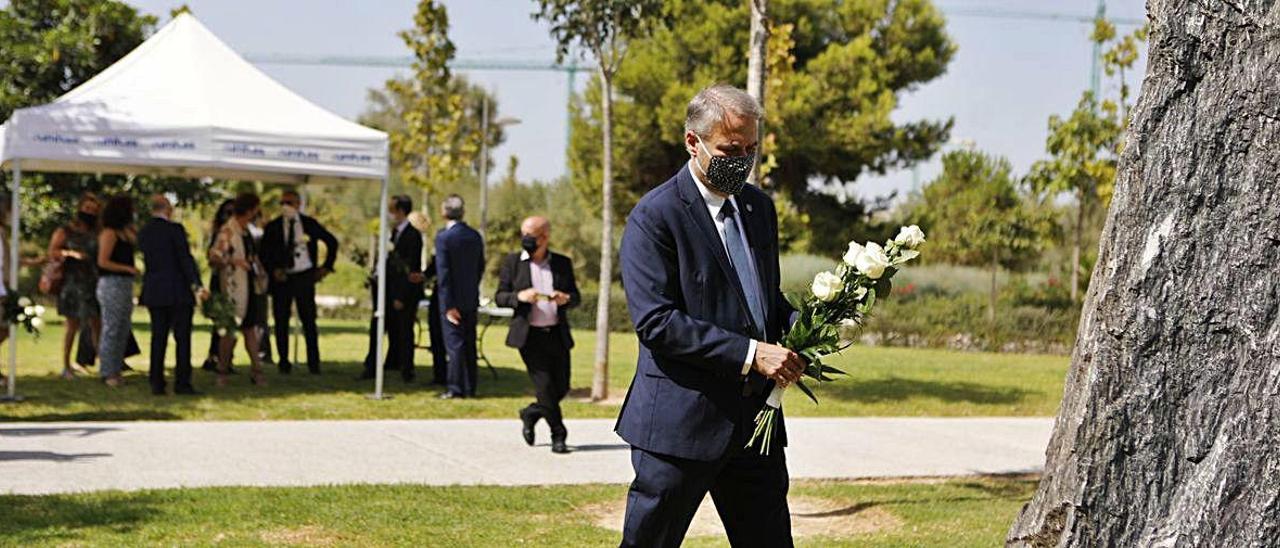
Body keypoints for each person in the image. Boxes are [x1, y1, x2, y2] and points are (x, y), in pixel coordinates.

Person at [615, 85, 805, 547]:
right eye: (730, 149)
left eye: (751, 149)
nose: (742, 159)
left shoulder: (759, 209)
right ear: (692, 142)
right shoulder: (654, 216)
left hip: (755, 424)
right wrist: (749, 353)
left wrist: (808, 327)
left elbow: (760, 299)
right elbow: (657, 321)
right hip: (681, 425)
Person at [495, 216, 579, 454]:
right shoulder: (512, 262)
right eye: (523, 233)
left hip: (556, 335)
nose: (526, 239)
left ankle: (531, 413)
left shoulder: (562, 263)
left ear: (544, 237)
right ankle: (558, 435)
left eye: (531, 235)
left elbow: (576, 296)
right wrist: (519, 297)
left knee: (560, 387)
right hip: (529, 337)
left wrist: (566, 299)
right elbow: (500, 295)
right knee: (544, 386)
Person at [260, 190, 338, 375]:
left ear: (298, 204)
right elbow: (264, 252)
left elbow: (331, 242)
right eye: (283, 202)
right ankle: (284, 361)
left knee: (308, 320)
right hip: (283, 278)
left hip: (304, 275)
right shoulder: (274, 226)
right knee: (281, 320)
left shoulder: (308, 224)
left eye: (290, 202)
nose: (286, 206)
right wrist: (274, 270)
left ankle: (314, 362)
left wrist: (326, 267)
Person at [138, 195, 207, 396]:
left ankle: (156, 381)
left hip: (155, 289)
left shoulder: (145, 232)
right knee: (182, 338)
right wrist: (196, 283)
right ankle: (182, 382)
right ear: (168, 209)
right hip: (177, 289)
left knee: (158, 337)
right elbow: (184, 258)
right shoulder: (174, 230)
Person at [359, 195, 423, 383]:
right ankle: (372, 366)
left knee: (403, 331)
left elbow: (410, 268)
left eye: (392, 209)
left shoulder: (412, 235)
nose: (389, 214)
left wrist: (400, 296)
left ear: (401, 211)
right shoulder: (389, 233)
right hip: (383, 290)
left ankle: (406, 369)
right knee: (377, 328)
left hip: (400, 292)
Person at [209, 193, 268, 387]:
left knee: (250, 330)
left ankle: (256, 370)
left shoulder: (246, 231)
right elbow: (214, 257)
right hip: (233, 288)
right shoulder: (228, 231)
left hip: (249, 288)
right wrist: (234, 261)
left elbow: (252, 255)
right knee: (229, 332)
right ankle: (222, 371)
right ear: (250, 210)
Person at [435, 194, 484, 399]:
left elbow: (443, 273)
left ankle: (455, 387)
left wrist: (448, 305)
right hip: (470, 297)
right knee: (469, 344)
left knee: (454, 344)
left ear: (444, 212)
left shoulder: (444, 237)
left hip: (452, 299)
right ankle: (470, 386)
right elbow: (480, 266)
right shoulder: (475, 236)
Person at [48, 194, 102, 380]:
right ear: (80, 208)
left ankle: (104, 364)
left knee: (97, 323)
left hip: (93, 282)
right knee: (72, 325)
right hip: (72, 283)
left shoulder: (98, 231)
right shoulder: (66, 231)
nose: (90, 213)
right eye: (87, 209)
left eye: (94, 210)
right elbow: (52, 251)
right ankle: (66, 365)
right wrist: (70, 254)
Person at [96, 195, 140, 388]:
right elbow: (103, 261)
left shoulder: (125, 232)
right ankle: (107, 371)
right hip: (111, 283)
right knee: (111, 328)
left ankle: (116, 368)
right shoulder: (109, 233)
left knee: (123, 327)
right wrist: (127, 269)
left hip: (125, 284)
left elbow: (137, 239)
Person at [201, 199, 237, 374]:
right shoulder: (220, 234)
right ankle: (216, 357)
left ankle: (225, 358)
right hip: (221, 281)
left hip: (235, 282)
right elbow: (212, 259)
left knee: (230, 322)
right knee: (221, 321)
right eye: (226, 213)